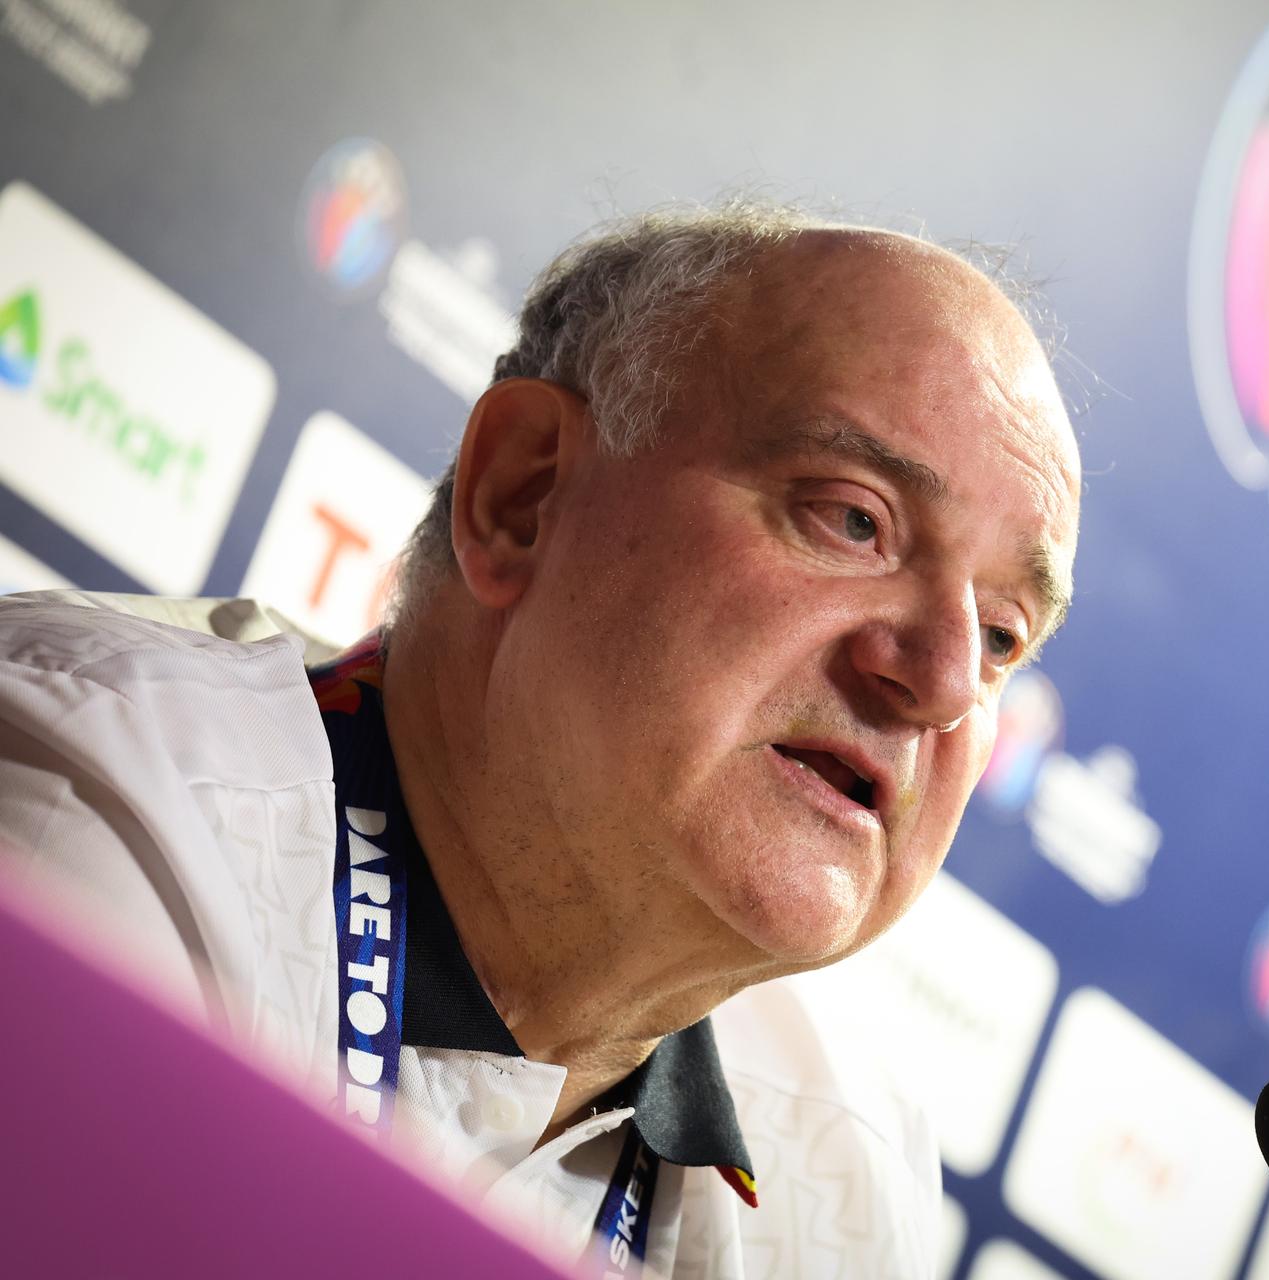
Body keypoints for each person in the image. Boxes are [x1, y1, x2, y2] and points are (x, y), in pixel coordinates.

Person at [0, 201, 1082, 1276]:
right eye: (853, 518)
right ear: (523, 495)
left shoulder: (850, 1171)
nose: (940, 679)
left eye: (1000, 636)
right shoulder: (92, 815)